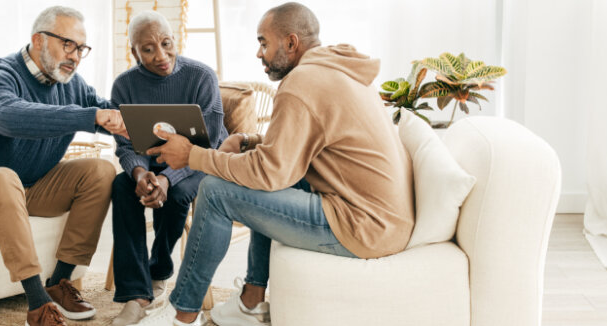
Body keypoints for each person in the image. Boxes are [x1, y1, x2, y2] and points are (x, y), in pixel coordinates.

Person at [134, 2, 415, 325]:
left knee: (214, 191)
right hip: (385, 219)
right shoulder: (336, 70)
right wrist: (247, 141)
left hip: (363, 226)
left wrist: (193, 156)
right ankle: (252, 303)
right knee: (252, 180)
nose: (259, 53)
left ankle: (182, 316)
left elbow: (269, 172)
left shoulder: (302, 82)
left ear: (291, 43)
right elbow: (298, 148)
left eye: (263, 43)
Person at [0, 6, 127, 326]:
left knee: (101, 170)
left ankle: (59, 283)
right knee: (3, 177)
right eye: (68, 44)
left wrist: (155, 122)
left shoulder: (73, 84)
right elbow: (5, 114)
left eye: (81, 48)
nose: (76, 56)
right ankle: (37, 303)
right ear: (38, 40)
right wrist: (88, 116)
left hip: (33, 187)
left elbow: (108, 113)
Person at [108, 10, 228, 326]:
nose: (161, 56)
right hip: (147, 162)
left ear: (175, 39)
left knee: (175, 194)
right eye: (148, 49)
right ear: (134, 52)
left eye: (166, 43)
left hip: (199, 163)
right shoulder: (124, 86)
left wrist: (165, 178)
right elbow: (124, 144)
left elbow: (210, 142)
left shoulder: (202, 77)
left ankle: (159, 270)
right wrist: (138, 174)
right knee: (120, 187)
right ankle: (136, 295)